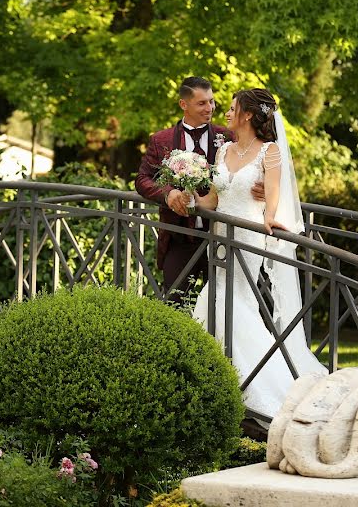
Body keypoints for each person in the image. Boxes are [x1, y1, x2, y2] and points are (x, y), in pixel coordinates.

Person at [190, 88, 325, 420]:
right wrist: (191, 185)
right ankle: (229, 381)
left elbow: (274, 198)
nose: (226, 112)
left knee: (228, 302)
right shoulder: (223, 154)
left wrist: (270, 219)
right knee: (217, 299)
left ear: (248, 114)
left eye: (232, 107)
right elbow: (212, 203)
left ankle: (256, 386)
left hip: (247, 238)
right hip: (220, 238)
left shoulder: (271, 152)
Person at [135, 76, 263, 294]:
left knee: (221, 305)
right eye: (202, 103)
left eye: (212, 101)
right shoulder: (161, 140)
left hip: (223, 238)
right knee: (175, 305)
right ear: (184, 105)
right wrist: (168, 194)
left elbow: (258, 161)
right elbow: (142, 179)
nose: (210, 108)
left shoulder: (229, 136)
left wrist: (263, 186)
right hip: (179, 236)